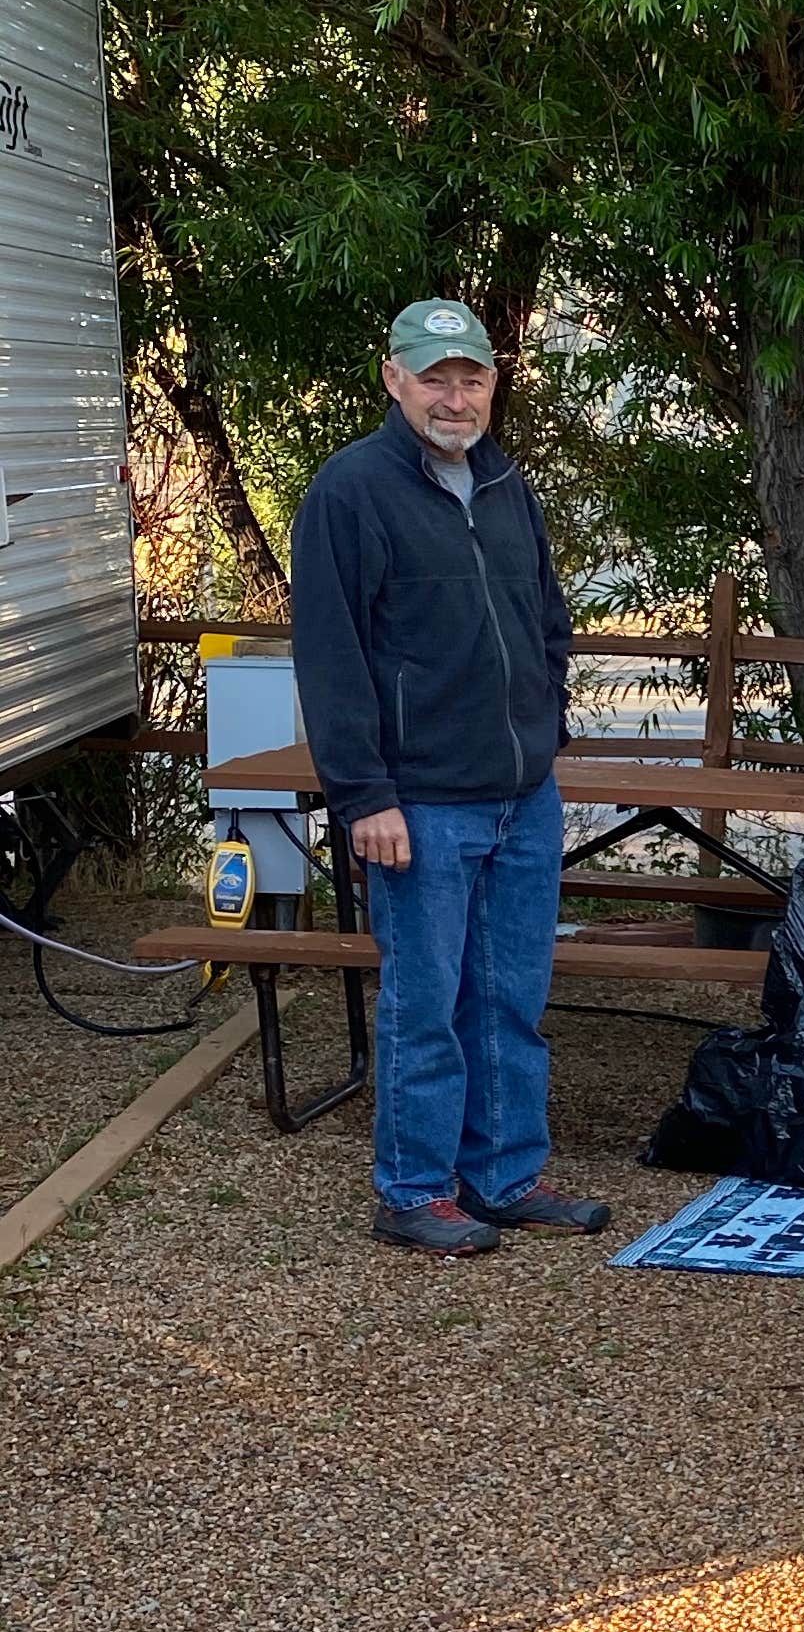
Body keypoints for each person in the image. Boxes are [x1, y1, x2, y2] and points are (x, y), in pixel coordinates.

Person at [288, 297, 611, 1255]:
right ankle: (415, 1189)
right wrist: (365, 795)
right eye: (436, 377)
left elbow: (547, 622)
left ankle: (505, 1176)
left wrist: (542, 732)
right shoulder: (350, 491)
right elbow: (331, 656)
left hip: (522, 797)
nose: (455, 396)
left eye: (471, 377)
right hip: (418, 802)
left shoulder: (508, 484)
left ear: (493, 385)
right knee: (426, 1004)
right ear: (394, 378)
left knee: (511, 998)